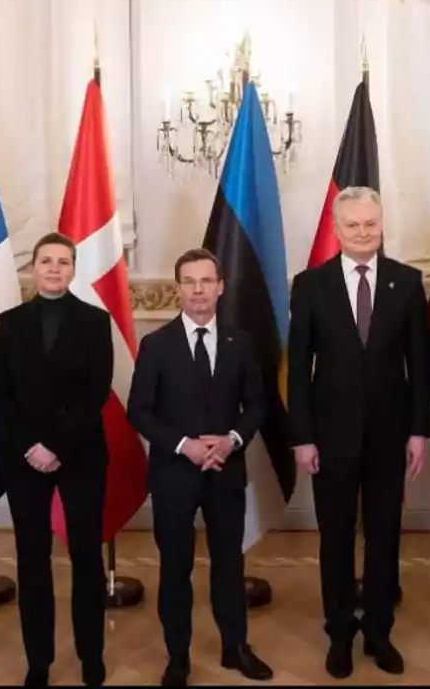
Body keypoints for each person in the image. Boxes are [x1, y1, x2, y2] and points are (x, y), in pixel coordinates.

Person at [287, 186, 430, 680]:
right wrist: (302, 437)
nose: (364, 233)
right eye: (353, 225)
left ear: (382, 223)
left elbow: (420, 364)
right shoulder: (309, 285)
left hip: (392, 437)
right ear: (337, 228)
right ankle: (339, 633)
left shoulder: (407, 283)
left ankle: (378, 632)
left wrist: (419, 432)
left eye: (371, 224)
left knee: (385, 535)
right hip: (330, 439)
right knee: (336, 537)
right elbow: (297, 369)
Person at [128, 248, 273, 687]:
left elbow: (258, 405)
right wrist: (183, 445)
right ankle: (178, 657)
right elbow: (140, 410)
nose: (197, 290)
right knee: (176, 569)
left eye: (205, 281)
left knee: (229, 565)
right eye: (188, 282)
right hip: (175, 474)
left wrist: (230, 441)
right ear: (178, 289)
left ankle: (235, 648)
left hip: (225, 471)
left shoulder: (241, 342)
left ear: (220, 286)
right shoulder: (156, 345)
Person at [0, 232, 112, 687]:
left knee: (86, 559)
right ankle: (38, 661)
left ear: (73, 269)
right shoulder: (10, 322)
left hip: (80, 454)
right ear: (33, 268)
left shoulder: (96, 322)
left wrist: (57, 446)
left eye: (63, 261)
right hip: (24, 458)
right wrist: (31, 447)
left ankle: (91, 656)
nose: (55, 268)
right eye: (46, 261)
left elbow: (96, 391)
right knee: (32, 560)